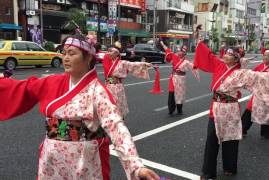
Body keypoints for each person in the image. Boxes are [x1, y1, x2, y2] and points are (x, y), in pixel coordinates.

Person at [0, 34, 159, 180]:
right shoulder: (51, 82)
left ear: (88, 57)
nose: (66, 58)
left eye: (72, 53)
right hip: (52, 161)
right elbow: (22, 88)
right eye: (64, 53)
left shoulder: (98, 92)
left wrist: (136, 166)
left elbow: (117, 128)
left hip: (84, 163)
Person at [193, 31, 269, 180]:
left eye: (229, 55)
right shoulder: (219, 64)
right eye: (225, 53)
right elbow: (207, 55)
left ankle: (230, 167)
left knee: (231, 139)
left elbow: (261, 76)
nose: (224, 56)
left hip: (231, 109)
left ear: (236, 59)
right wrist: (199, 41)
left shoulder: (241, 73)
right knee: (211, 139)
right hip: (216, 108)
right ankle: (207, 172)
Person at [102, 41, 152, 118]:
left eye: (111, 51)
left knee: (119, 108)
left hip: (118, 87)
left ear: (117, 54)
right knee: (109, 108)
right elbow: (108, 76)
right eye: (108, 51)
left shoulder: (122, 63)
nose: (109, 53)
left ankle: (120, 121)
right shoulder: (106, 60)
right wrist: (111, 81)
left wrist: (146, 64)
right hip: (109, 86)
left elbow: (133, 64)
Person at [241, 50, 269, 139]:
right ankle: (242, 129)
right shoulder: (260, 66)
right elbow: (251, 76)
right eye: (264, 55)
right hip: (258, 94)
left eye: (267, 55)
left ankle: (267, 133)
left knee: (268, 112)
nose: (265, 57)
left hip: (268, 94)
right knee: (249, 110)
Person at [159, 41, 200, 115]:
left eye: (183, 52)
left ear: (185, 53)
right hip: (173, 77)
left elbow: (194, 67)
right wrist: (162, 44)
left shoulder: (187, 62)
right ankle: (171, 109)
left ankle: (179, 109)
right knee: (171, 93)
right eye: (181, 51)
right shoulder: (174, 56)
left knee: (180, 94)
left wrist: (198, 62)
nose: (181, 53)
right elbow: (167, 50)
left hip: (181, 79)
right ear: (179, 51)